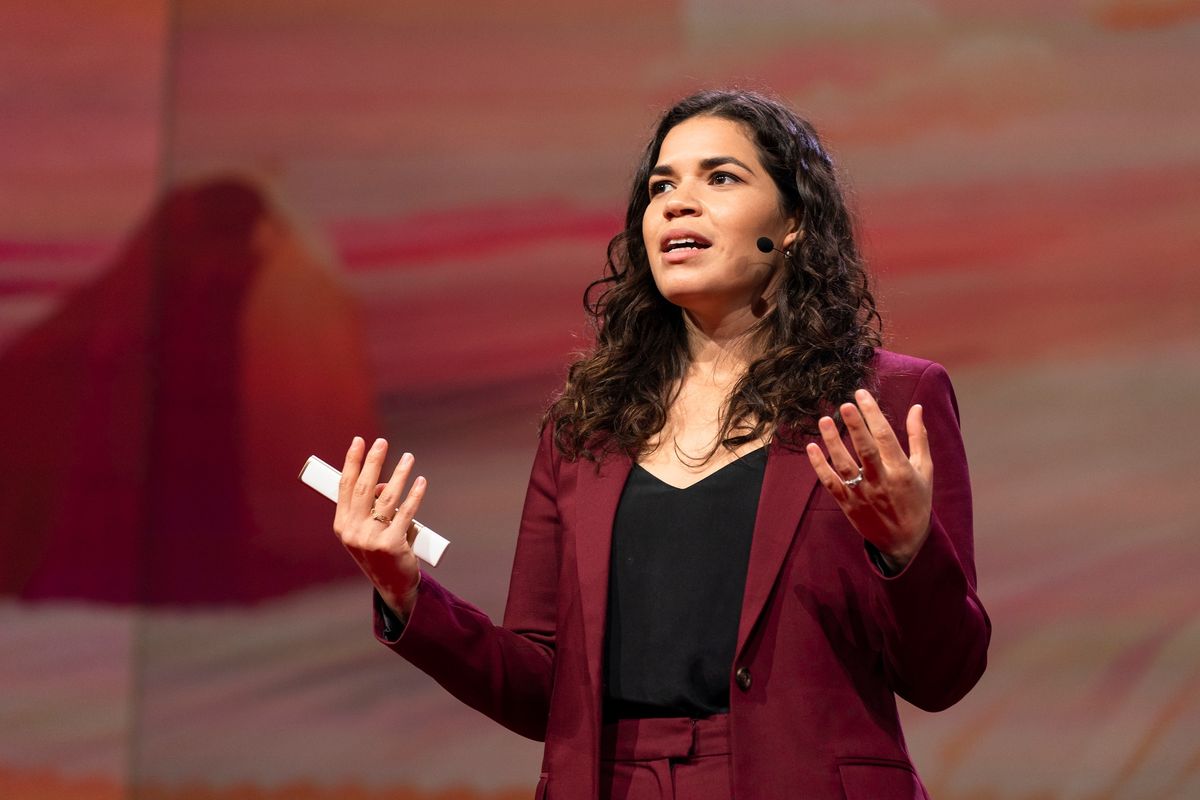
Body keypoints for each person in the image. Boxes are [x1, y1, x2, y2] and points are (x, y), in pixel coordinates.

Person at [331, 89, 990, 800]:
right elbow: (543, 690)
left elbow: (943, 676)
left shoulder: (887, 404)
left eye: (721, 177)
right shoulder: (587, 428)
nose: (679, 202)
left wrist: (904, 553)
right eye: (660, 187)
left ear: (794, 222)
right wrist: (406, 591)